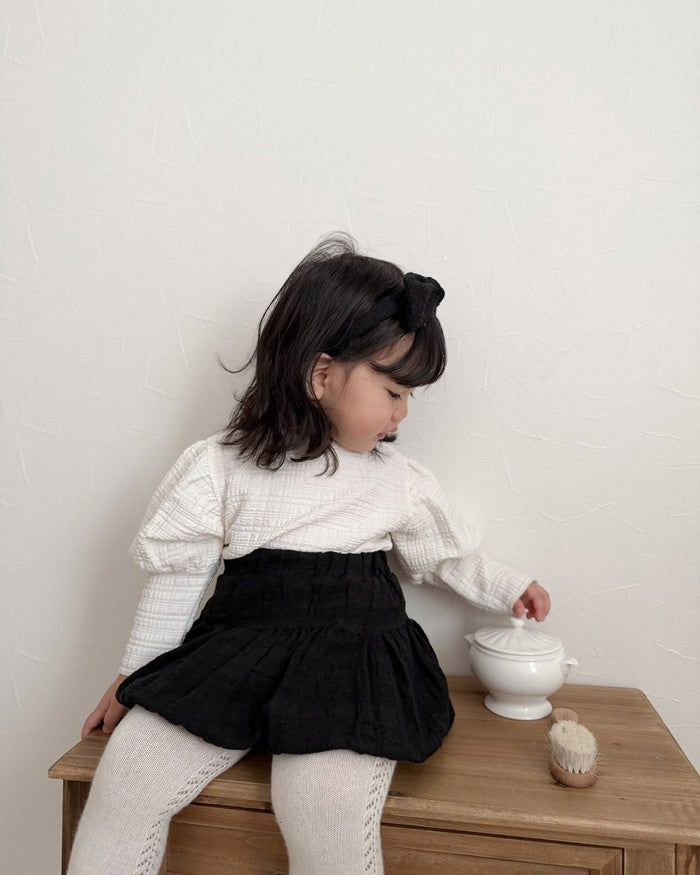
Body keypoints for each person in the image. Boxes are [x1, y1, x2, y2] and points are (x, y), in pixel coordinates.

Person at [67, 231, 551, 875]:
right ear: (321, 375)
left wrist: (507, 586)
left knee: (324, 810)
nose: (403, 414)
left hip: (354, 660)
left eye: (410, 397)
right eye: (394, 392)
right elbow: (177, 579)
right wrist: (135, 676)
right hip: (238, 647)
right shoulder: (222, 466)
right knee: (126, 779)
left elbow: (442, 557)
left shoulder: (397, 481)